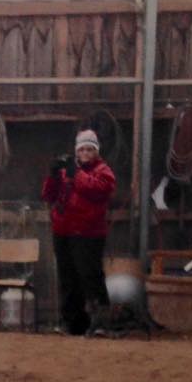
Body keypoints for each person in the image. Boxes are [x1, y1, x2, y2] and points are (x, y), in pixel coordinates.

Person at [40, 128, 116, 336]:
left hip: (88, 233)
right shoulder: (68, 172)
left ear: (96, 151)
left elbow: (97, 190)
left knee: (90, 276)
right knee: (68, 278)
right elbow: (48, 195)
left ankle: (100, 323)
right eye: (81, 149)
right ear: (76, 151)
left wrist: (77, 174)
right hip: (63, 231)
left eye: (89, 149)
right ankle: (73, 323)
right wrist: (53, 175)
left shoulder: (103, 171)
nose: (85, 153)